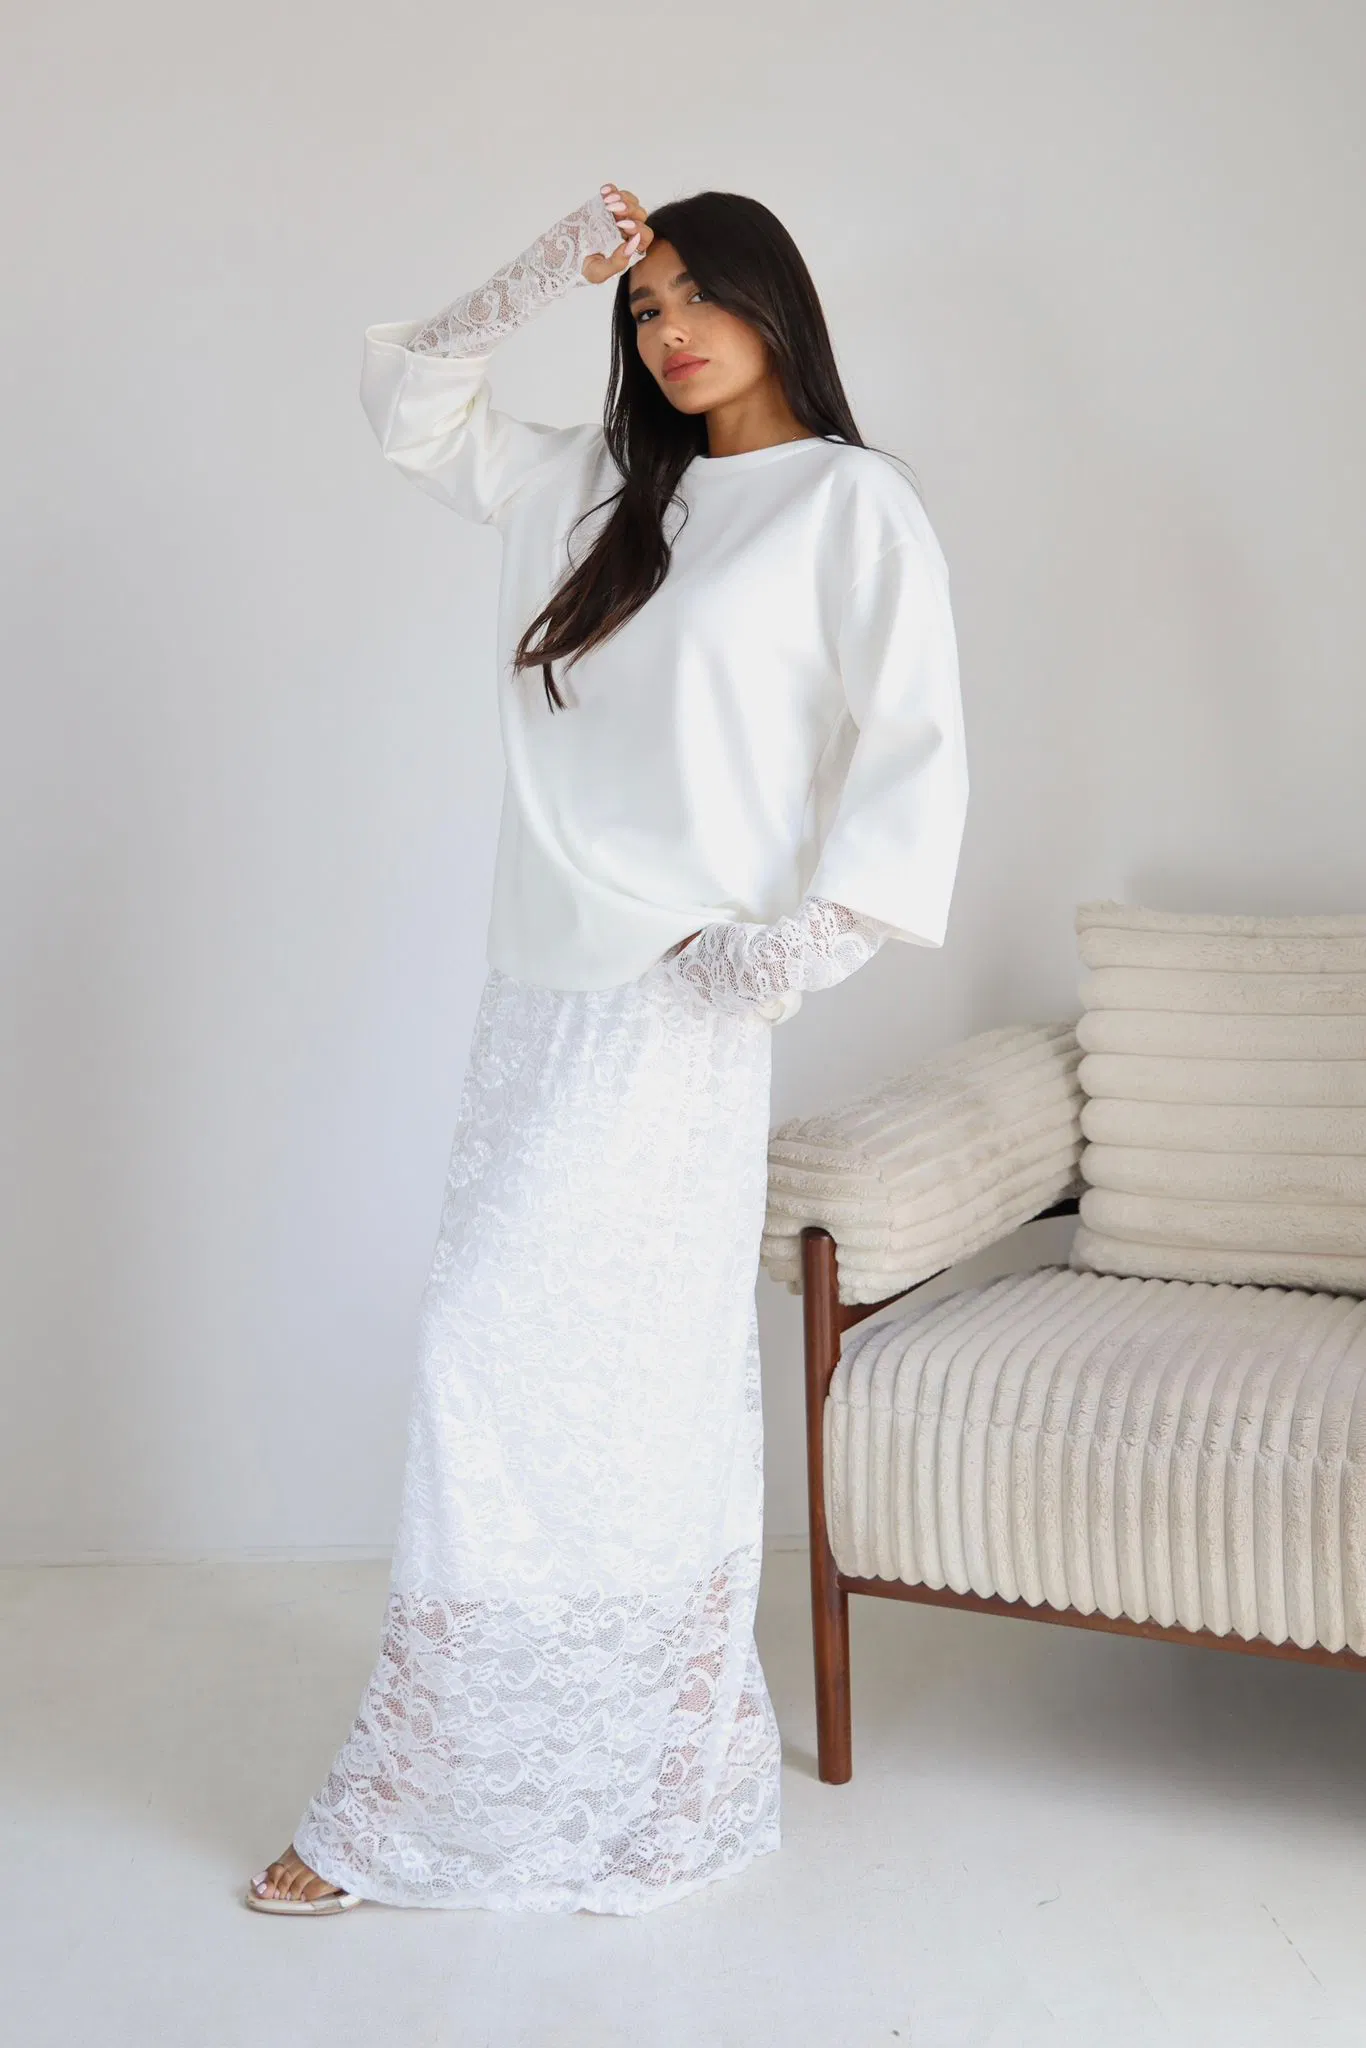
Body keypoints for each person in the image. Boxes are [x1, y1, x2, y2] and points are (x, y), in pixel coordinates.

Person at [246, 181, 968, 1917]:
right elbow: (412, 400)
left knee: (602, 1377)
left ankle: (558, 1778)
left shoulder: (850, 505)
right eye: (642, 309)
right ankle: (519, 1768)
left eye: (700, 295)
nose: (670, 332)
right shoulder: (594, 487)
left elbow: (916, 751)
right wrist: (543, 265)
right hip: (540, 999)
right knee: (508, 1367)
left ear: (778, 304)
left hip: (682, 1009)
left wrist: (786, 951)